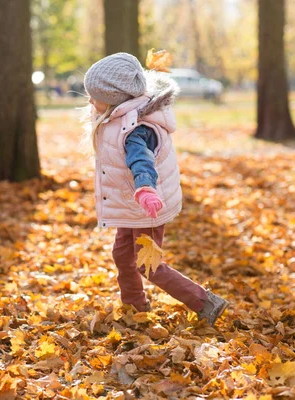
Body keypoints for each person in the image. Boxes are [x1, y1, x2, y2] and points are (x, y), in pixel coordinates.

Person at [82, 53, 229, 326]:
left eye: (95, 95)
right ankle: (134, 307)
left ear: (116, 97)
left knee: (148, 264)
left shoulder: (136, 128)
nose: (90, 101)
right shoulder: (118, 115)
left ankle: (206, 302)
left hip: (147, 204)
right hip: (132, 206)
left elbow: (141, 160)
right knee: (122, 255)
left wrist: (146, 188)